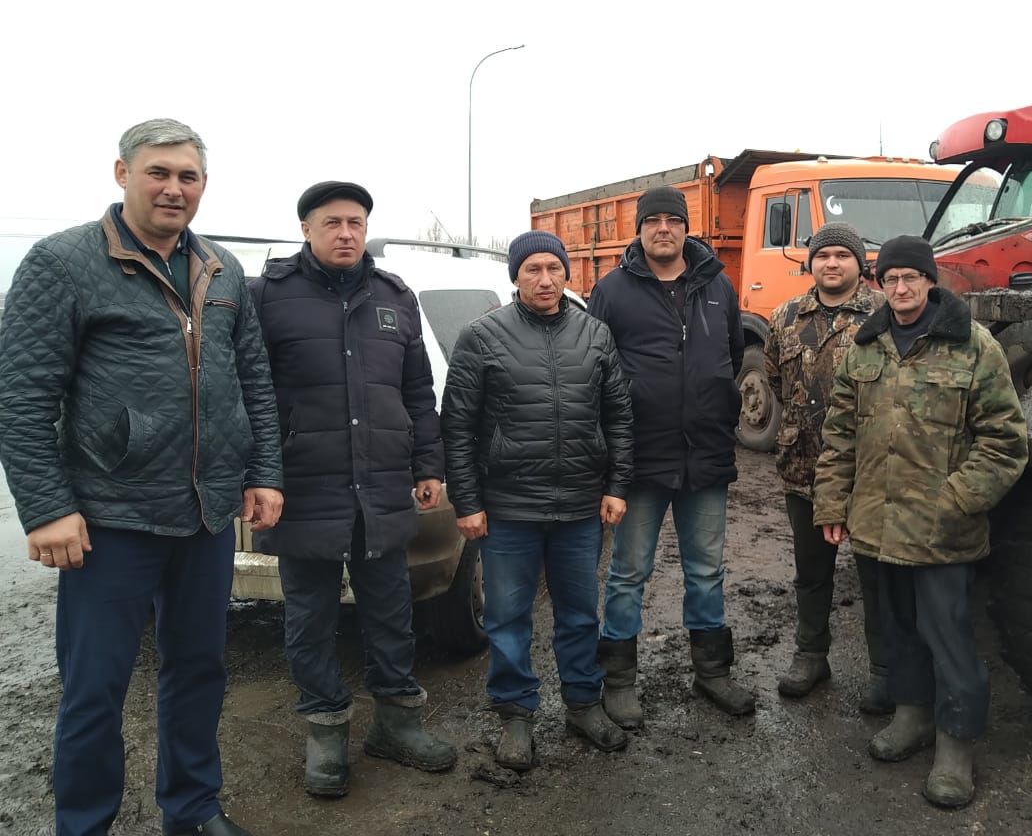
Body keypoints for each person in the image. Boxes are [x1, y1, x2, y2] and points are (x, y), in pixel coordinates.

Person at [0, 118, 284, 836]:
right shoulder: (64, 263)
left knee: (199, 671)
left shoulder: (222, 268)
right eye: (158, 172)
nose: (173, 188)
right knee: (95, 690)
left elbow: (252, 376)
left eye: (187, 176)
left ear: (204, 186)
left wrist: (262, 472)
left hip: (206, 513)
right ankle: (85, 824)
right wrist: (45, 509)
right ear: (121, 173)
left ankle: (191, 810)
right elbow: (23, 392)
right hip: (109, 517)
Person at [249, 181, 457, 796]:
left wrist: (429, 464)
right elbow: (251, 394)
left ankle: (396, 723)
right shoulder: (269, 298)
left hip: (382, 483)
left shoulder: (395, 296)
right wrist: (256, 474)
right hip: (303, 486)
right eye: (333, 222)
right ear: (307, 229)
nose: (347, 233)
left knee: (391, 611)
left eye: (357, 223)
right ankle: (325, 734)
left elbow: (417, 391)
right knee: (310, 618)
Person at [812, 234, 1027, 809]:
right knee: (899, 629)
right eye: (891, 279)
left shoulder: (973, 345)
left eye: (912, 278)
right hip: (878, 526)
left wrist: (956, 499)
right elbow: (838, 435)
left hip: (942, 530)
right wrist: (833, 503)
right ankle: (912, 716)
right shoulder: (867, 346)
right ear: (878, 284)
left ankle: (955, 747)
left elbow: (1005, 441)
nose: (901, 288)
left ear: (931, 281)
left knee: (949, 637)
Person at [441, 230, 633, 772]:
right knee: (507, 616)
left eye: (553, 268)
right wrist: (467, 501)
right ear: (516, 277)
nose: (545, 280)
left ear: (567, 274)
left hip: (578, 507)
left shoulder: (595, 335)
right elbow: (457, 425)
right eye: (532, 270)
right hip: (508, 508)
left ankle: (582, 703)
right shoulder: (481, 336)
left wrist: (617, 485)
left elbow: (617, 416)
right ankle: (515, 713)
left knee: (578, 614)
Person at [589, 185, 754, 725]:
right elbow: (595, 370)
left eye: (673, 220)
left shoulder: (717, 287)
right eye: (653, 220)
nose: (663, 228)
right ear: (639, 229)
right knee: (628, 570)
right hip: (639, 459)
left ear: (687, 228)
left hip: (704, 455)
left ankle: (712, 672)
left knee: (706, 569)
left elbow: (731, 354)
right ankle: (618, 679)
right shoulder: (612, 291)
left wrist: (720, 413)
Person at [764, 223, 891, 707]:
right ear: (810, 263)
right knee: (811, 571)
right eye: (823, 255)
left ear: (861, 264)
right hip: (804, 471)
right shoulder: (785, 316)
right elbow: (777, 381)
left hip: (869, 471)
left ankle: (884, 669)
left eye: (842, 255)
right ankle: (810, 654)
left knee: (877, 577)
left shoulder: (883, 314)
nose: (831, 263)